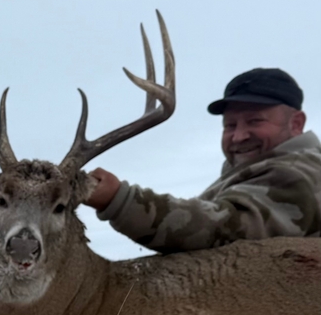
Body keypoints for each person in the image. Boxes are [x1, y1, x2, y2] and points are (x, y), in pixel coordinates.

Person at [84, 68, 320, 251]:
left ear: (296, 123)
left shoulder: (298, 173)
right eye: (230, 125)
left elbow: (229, 228)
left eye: (255, 121)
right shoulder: (254, 173)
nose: (238, 136)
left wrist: (119, 200)